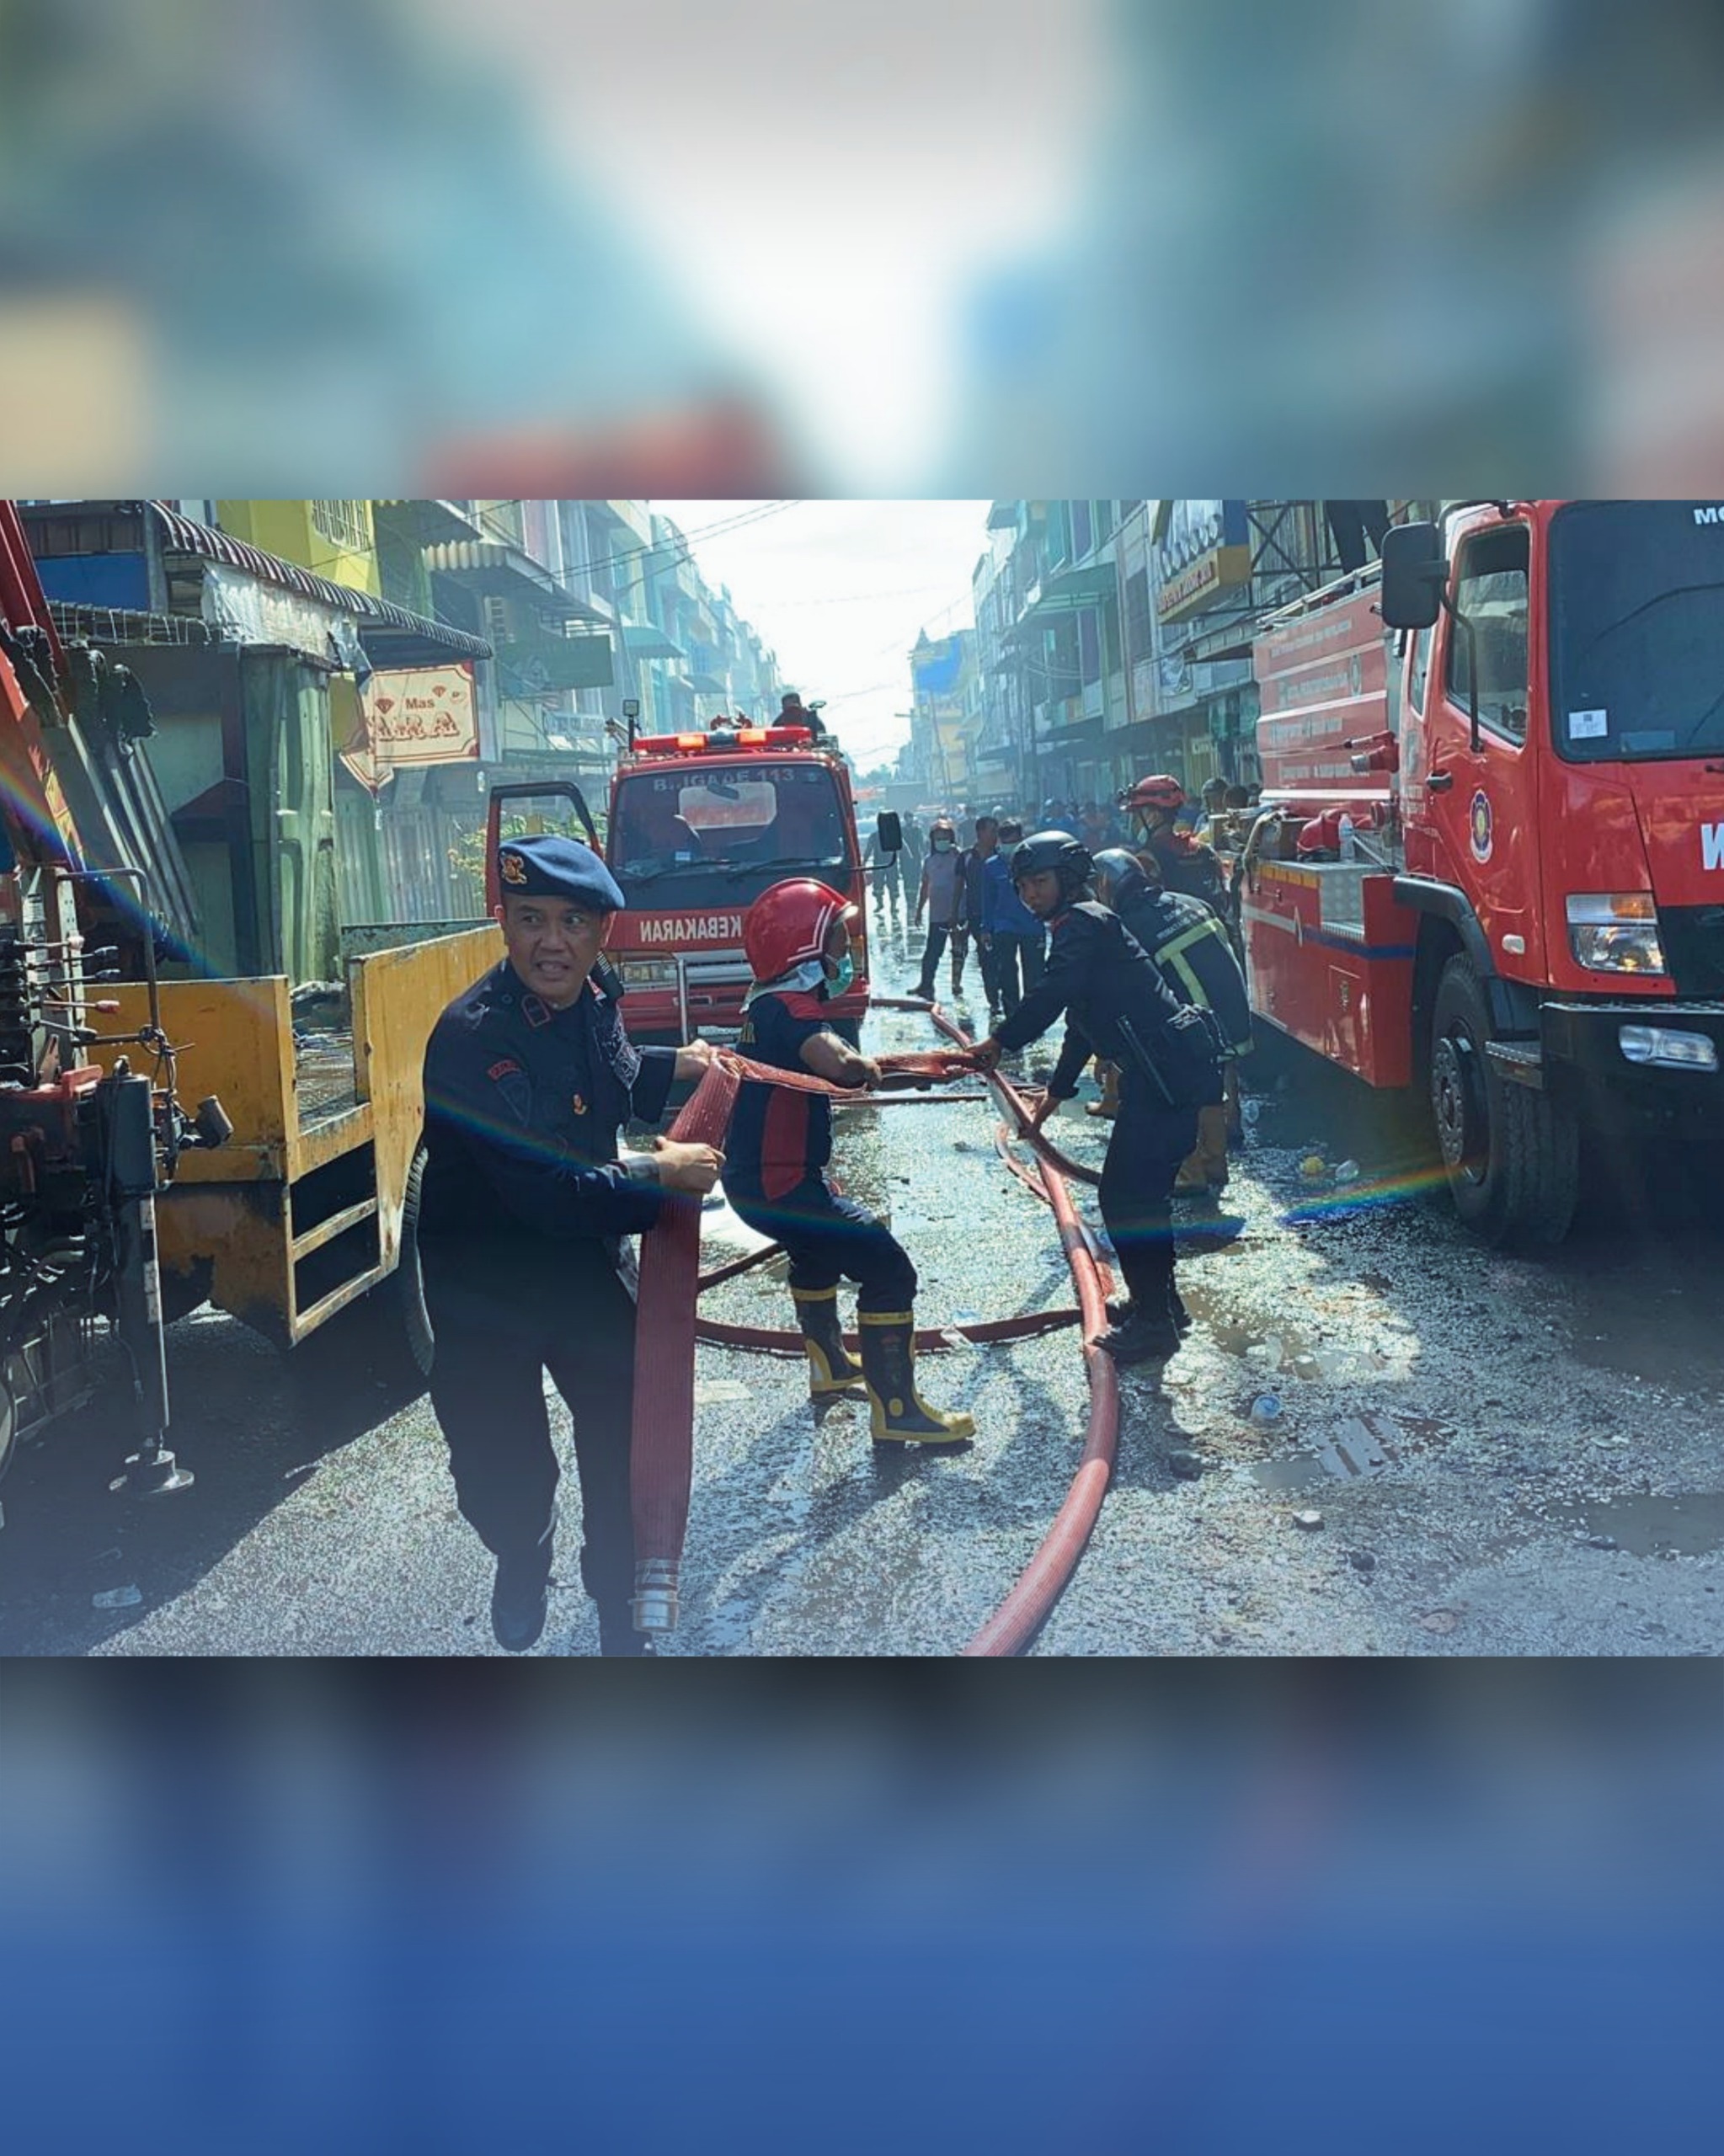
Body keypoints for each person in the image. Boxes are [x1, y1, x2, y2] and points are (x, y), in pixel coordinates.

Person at [418, 835, 724, 1655]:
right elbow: (546, 1190)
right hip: (485, 1283)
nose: (550, 943)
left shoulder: (591, 997)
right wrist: (662, 1172)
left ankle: (620, 1614)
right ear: (503, 923)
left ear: (600, 933)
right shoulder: (471, 1038)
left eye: (572, 922)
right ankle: (523, 1549)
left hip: (581, 1265)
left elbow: (610, 1077)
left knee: (625, 1445)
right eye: (531, 920)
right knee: (499, 1474)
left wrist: (680, 1065)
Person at [726, 879, 974, 1444]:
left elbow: (840, 1072)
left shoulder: (763, 1006)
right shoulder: (791, 1008)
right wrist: (869, 1065)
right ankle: (898, 1412)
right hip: (782, 1187)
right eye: (837, 937)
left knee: (815, 1254)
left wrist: (925, 1068)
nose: (845, 949)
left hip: (762, 1186)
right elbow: (838, 1065)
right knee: (887, 1269)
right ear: (805, 946)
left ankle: (831, 1367)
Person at [970, 833, 1223, 1364]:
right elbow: (1080, 1023)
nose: (1031, 895)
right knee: (1140, 1199)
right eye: (1023, 887)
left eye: (1040, 882)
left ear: (1069, 879)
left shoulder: (1083, 922)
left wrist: (1000, 1041)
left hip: (1163, 1080)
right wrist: (1054, 1095)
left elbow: (1052, 994)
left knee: (1127, 1200)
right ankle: (1162, 1307)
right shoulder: (1082, 926)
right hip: (1158, 1078)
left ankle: (1155, 1323)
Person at [1091, 847, 1252, 1198]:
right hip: (1236, 1016)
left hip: (1198, 1026)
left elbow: (1133, 996)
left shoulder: (1128, 928)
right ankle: (1215, 1163)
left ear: (1105, 888)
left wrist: (1108, 1053)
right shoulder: (1190, 902)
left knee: (1173, 1088)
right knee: (1211, 1086)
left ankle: (1190, 1172)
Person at [1118, 773, 1226, 910]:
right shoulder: (1203, 850)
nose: (1134, 822)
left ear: (1154, 816)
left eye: (1138, 815)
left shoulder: (1146, 861)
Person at [980, 816, 1047, 1017]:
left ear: (1022, 839)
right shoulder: (991, 866)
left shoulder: (1035, 862)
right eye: (1006, 842)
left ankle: (1033, 1016)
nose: (1010, 847)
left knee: (1035, 975)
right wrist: (986, 928)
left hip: (1033, 924)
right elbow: (987, 900)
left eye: (1014, 842)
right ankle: (1012, 1016)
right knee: (1007, 973)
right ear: (1000, 842)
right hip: (1004, 925)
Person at [908, 814, 965, 1001]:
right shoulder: (929, 861)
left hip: (958, 913)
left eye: (945, 837)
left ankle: (956, 984)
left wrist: (956, 912)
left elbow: (964, 882)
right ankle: (926, 985)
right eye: (938, 838)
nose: (942, 841)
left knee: (958, 950)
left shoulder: (959, 857)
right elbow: (925, 886)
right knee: (932, 952)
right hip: (937, 915)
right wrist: (919, 911)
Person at [953, 814, 1001, 1013]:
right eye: (992, 831)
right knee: (986, 957)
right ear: (980, 833)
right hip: (976, 915)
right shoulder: (966, 857)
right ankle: (994, 1001)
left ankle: (1006, 996)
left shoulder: (1002, 857)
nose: (996, 836)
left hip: (1001, 916)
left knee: (1003, 959)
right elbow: (958, 887)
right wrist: (954, 913)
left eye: (997, 832)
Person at [863, 822, 905, 928]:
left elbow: (902, 846)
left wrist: (907, 859)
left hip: (891, 864)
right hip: (878, 865)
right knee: (878, 886)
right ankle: (880, 903)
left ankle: (893, 906)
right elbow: (868, 850)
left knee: (893, 886)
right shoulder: (874, 836)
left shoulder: (892, 835)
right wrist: (864, 862)